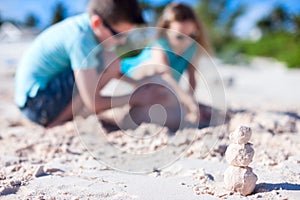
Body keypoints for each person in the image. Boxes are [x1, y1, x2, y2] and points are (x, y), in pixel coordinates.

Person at [14, 0, 155, 128]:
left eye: (126, 35)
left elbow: (114, 70)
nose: (123, 41)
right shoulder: (81, 39)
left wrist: (136, 82)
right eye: (118, 35)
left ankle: (61, 117)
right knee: (109, 61)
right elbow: (94, 103)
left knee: (110, 61)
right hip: (38, 105)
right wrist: (136, 97)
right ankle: (57, 122)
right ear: (97, 23)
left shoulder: (87, 28)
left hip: (33, 101)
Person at [117, 2, 213, 129]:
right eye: (180, 36)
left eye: (192, 35)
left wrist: (191, 100)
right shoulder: (160, 46)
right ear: (166, 30)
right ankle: (124, 112)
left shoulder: (191, 47)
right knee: (154, 70)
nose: (187, 41)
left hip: (165, 88)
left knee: (171, 109)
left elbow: (192, 79)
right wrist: (187, 101)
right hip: (130, 79)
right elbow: (165, 75)